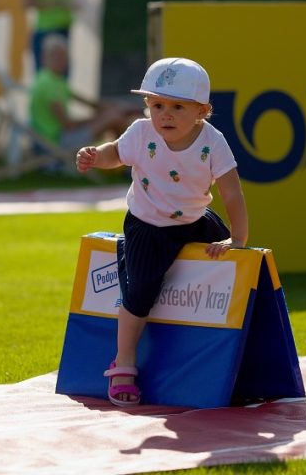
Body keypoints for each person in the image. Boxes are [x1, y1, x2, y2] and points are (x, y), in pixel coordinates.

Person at [75, 58, 249, 407]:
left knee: (232, 264)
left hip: (194, 219)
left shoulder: (213, 142)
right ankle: (124, 361)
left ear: (202, 111)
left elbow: (232, 193)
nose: (165, 115)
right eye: (157, 106)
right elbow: (116, 153)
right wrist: (96, 157)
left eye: (177, 107)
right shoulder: (141, 132)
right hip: (148, 224)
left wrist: (238, 239)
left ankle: (237, 352)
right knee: (140, 290)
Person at [29, 33, 137, 165]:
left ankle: (124, 162)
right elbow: (68, 124)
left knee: (115, 116)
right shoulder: (48, 84)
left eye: (64, 57)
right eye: (57, 57)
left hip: (60, 136)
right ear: (45, 57)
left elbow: (91, 103)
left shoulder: (55, 80)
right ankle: (128, 163)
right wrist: (101, 117)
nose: (62, 61)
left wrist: (119, 108)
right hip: (56, 141)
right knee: (115, 118)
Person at [25, 0, 78, 74]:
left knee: (60, 76)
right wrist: (59, 3)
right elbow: (26, 2)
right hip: (46, 30)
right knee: (45, 75)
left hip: (64, 29)